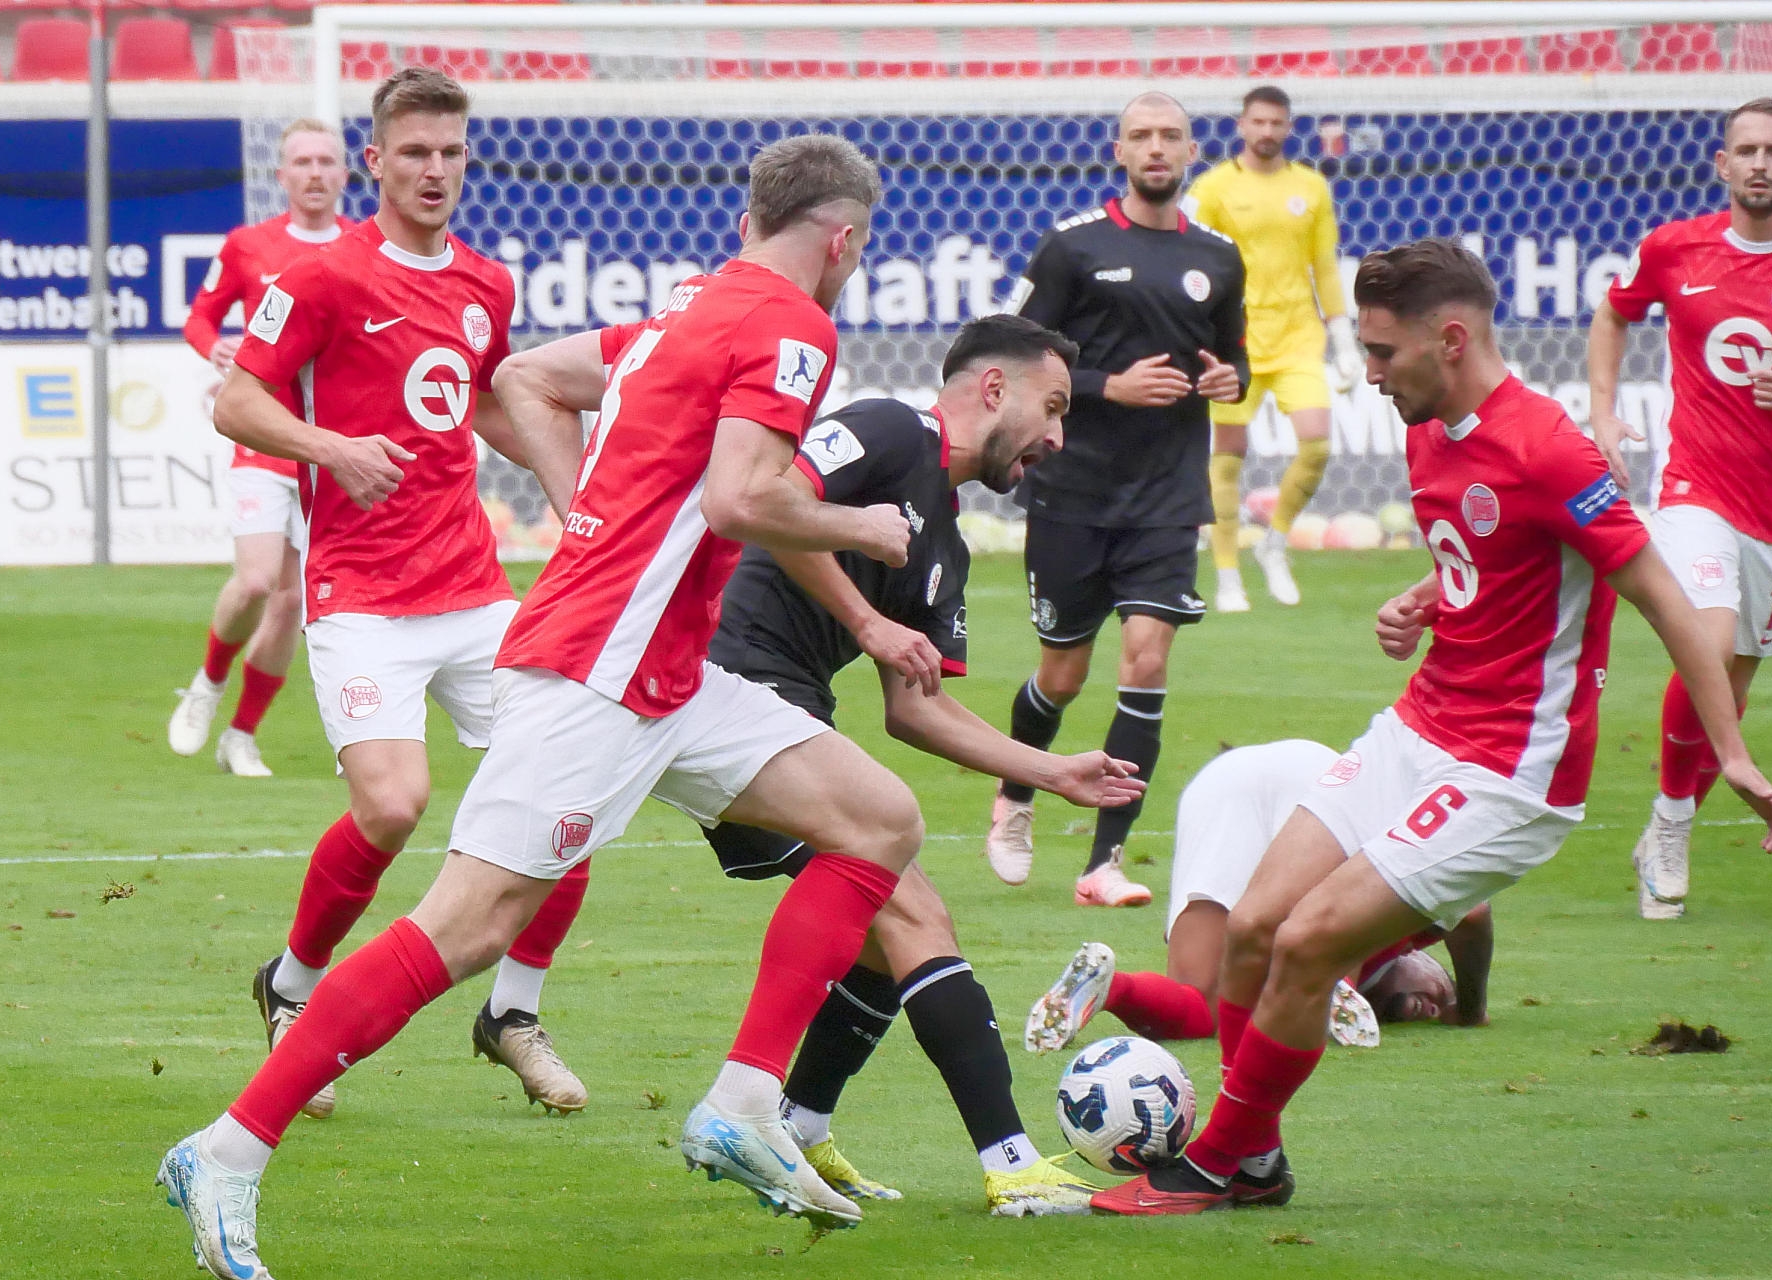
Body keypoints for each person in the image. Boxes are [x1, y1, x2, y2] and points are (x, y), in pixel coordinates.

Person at [158, 132, 1024, 1275]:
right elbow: (738, 499)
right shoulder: (791, 326)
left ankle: (743, 1103)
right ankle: (226, 1148)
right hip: (596, 673)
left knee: (878, 818)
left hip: (664, 670)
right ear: (843, 240)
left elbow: (524, 378)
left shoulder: (686, 309)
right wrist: (859, 525)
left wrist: (586, 519)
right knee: (465, 927)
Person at [1089, 238, 1772, 1218]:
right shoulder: (1428, 427)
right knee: (1252, 926)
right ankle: (1255, 1159)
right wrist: (1427, 594)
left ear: (1450, 339)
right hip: (1416, 730)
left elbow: (1661, 594)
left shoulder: (1550, 449)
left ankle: (1213, 1163)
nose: (1369, 373)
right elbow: (1495, 550)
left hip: (1510, 773)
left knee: (1308, 940)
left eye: (1382, 351)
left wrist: (1732, 752)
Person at [489, 314, 1144, 1217]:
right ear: (994, 388)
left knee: (874, 918)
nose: (1059, 437)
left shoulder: (943, 545)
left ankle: (798, 1124)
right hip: (719, 691)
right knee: (913, 909)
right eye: (1056, 406)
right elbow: (771, 501)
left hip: (782, 712)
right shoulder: (887, 429)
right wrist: (866, 618)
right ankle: (1012, 1165)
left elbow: (914, 709)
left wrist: (1050, 771)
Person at [157, 67, 526, 1229]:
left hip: (473, 586)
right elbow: (237, 400)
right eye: (413, 151)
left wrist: (576, 480)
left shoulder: (486, 281)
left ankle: (516, 1007)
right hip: (361, 590)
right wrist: (332, 447)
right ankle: (293, 980)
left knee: (563, 775)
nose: (434, 169)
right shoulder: (319, 276)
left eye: (450, 152)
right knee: (394, 804)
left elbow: (483, 397)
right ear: (376, 161)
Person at [990, 91, 1247, 904]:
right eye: (1142, 135)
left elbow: (1235, 359)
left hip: (1167, 496)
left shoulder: (1219, 256)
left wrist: (1230, 380)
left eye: (1171, 135)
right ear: (1120, 151)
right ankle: (1017, 791)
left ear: (1193, 151)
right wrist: (1108, 385)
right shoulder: (1073, 248)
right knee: (1062, 676)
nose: (1157, 147)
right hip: (1073, 491)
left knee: (1146, 659)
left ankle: (1104, 863)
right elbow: (1014, 353)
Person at [1590, 97, 1772, 921]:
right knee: (1708, 634)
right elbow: (1613, 312)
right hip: (1698, 488)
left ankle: (1667, 822)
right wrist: (1602, 412)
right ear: (1723, 165)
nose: (1761, 164)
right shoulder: (1675, 248)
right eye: (1748, 150)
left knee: (1728, 682)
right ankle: (1678, 822)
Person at [1024, 740, 1492, 1058]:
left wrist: (1460, 1006)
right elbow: (1473, 914)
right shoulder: (1408, 925)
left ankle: (1111, 986)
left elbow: (1472, 916)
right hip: (1324, 779)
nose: (1430, 1003)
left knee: (1201, 1005)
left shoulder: (1397, 932)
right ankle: (1330, 979)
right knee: (1340, 925)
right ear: (1424, 959)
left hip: (1220, 781)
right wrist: (1469, 1011)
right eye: (1440, 991)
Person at [168, 118, 350, 776]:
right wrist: (212, 347)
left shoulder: (363, 247)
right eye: (302, 161)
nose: (314, 173)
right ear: (282, 175)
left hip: (329, 447)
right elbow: (200, 316)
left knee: (294, 601)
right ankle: (208, 683)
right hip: (265, 437)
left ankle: (241, 735)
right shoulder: (249, 246)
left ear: (346, 173)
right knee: (254, 583)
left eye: (325, 161)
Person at [1185, 85, 1361, 613]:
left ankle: (1274, 541)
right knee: (1228, 457)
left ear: (1288, 127)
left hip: (1298, 337)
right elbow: (1191, 263)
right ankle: (1227, 574)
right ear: (1241, 125)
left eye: (1275, 122)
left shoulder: (1311, 187)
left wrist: (1344, 340)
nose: (1266, 131)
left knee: (1317, 444)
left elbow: (1324, 266)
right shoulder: (1213, 189)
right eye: (1257, 121)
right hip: (1233, 342)